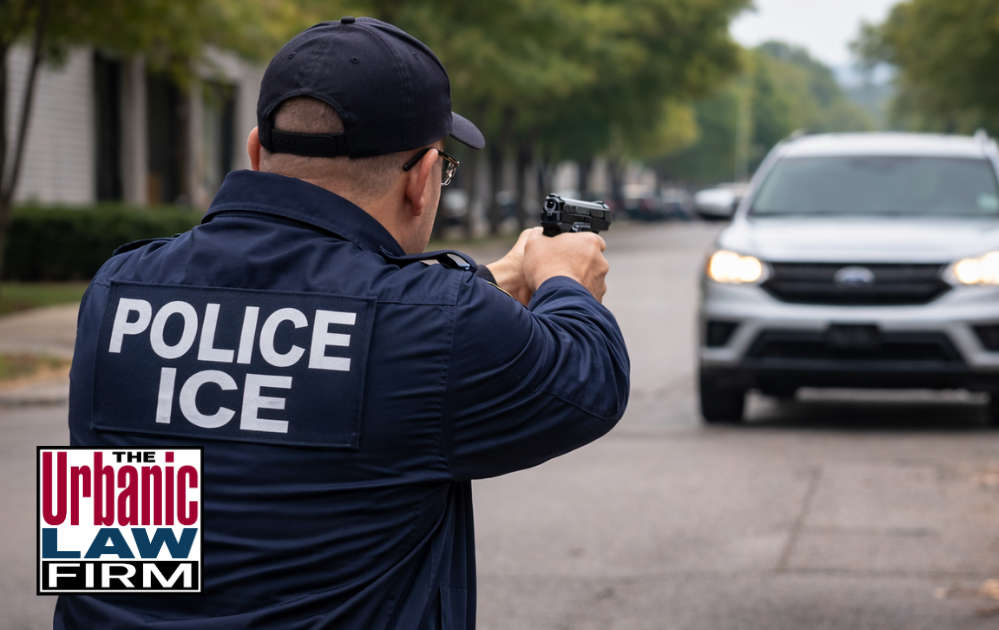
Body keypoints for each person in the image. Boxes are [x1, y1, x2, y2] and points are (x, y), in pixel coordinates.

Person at [57, 16, 629, 630]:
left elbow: (117, 558)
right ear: (421, 179)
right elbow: (586, 379)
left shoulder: (120, 290)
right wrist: (565, 280)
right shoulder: (441, 325)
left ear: (256, 149)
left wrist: (489, 281)